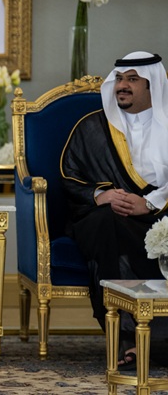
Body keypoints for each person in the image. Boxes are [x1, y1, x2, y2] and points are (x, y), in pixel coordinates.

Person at [61, 51, 168, 370]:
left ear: (152, 85)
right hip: (104, 216)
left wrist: (150, 202)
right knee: (106, 223)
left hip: (158, 216)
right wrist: (100, 195)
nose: (123, 85)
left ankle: (147, 339)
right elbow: (68, 175)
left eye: (133, 79)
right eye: (120, 79)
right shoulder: (92, 127)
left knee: (132, 236)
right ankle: (128, 335)